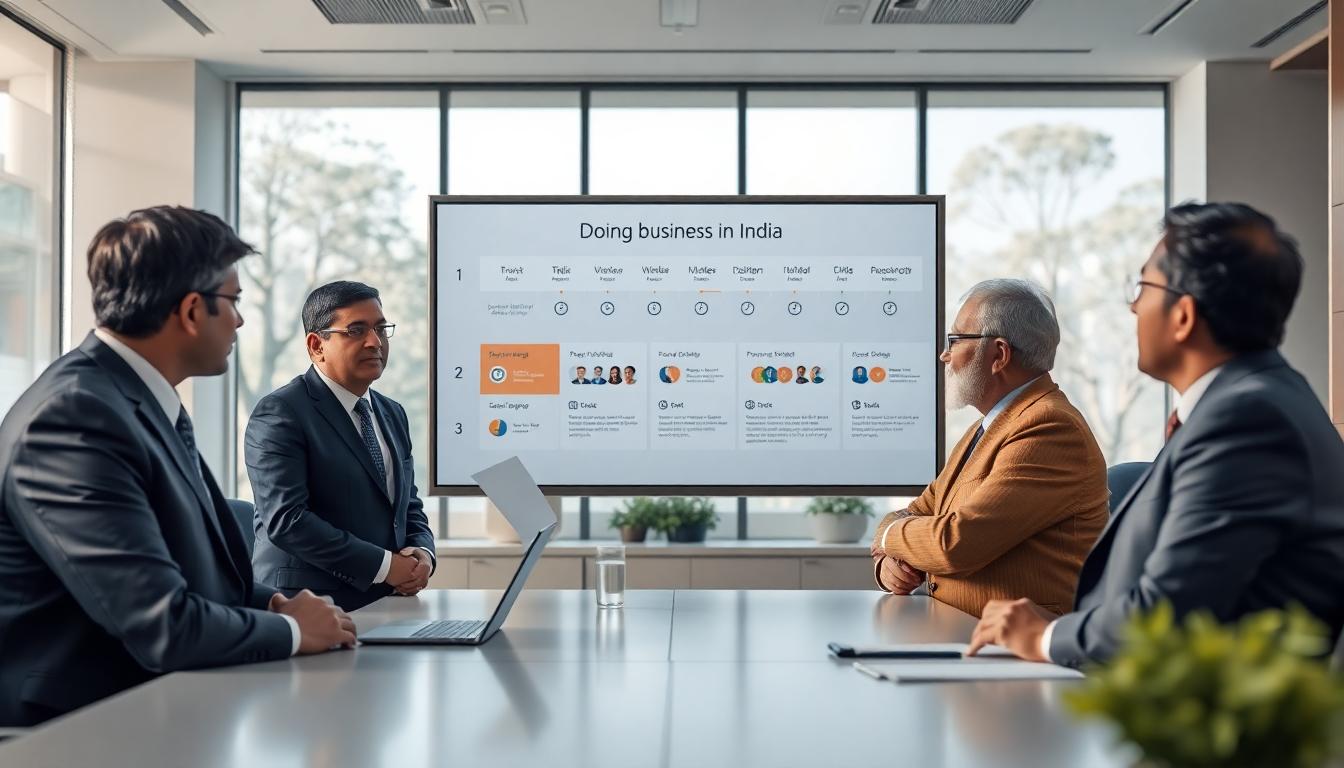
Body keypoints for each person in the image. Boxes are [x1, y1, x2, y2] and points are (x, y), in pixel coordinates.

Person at [0, 207, 354, 726]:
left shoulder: (137, 400)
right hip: (77, 729)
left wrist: (277, 604)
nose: (239, 320)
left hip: (153, 709)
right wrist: (296, 632)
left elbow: (193, 578)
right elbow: (162, 623)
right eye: (232, 301)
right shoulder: (74, 417)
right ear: (191, 311)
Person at [968, 202, 1344, 666]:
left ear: (1183, 316)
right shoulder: (1251, 403)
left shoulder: (1248, 420)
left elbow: (1167, 615)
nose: (1132, 305)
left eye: (1143, 286)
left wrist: (1042, 637)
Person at [871, 279, 1108, 618]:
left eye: (955, 340)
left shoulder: (1050, 429)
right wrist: (889, 567)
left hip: (1016, 654)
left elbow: (953, 543)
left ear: (998, 354)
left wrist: (888, 536)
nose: (945, 354)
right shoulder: (985, 428)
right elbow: (917, 511)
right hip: (956, 634)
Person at [246, 281, 436, 611]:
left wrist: (422, 554)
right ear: (316, 345)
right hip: (303, 605)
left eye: (381, 328)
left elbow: (407, 506)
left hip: (382, 603)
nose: (375, 341)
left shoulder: (392, 413)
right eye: (356, 330)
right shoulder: (280, 413)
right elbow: (288, 521)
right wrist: (387, 567)